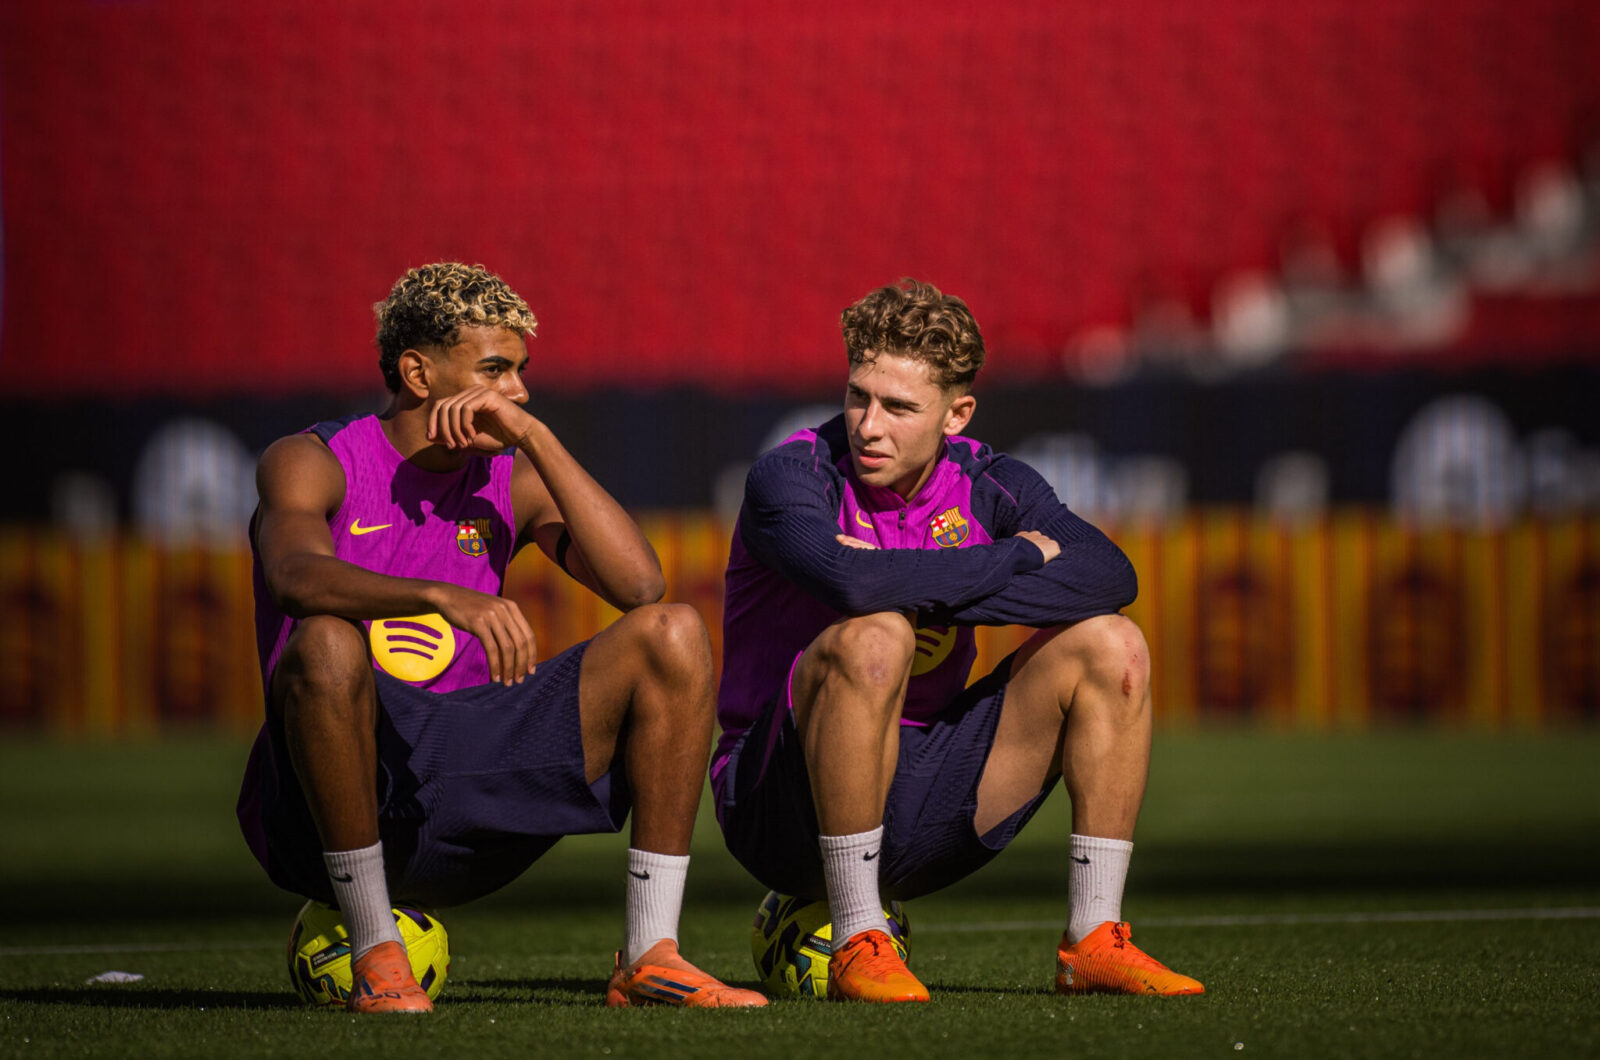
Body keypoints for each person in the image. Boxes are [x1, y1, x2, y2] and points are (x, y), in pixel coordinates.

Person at [236, 262, 765, 1013]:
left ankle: (651, 955)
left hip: (460, 780)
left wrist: (536, 438)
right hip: (325, 802)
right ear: (419, 373)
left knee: (672, 631)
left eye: (521, 372)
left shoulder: (506, 477)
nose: (515, 390)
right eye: (495, 370)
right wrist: (438, 595)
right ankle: (376, 952)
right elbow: (293, 575)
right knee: (325, 642)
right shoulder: (312, 460)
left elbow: (640, 586)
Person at [714, 279, 1204, 1002]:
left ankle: (1093, 939)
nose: (868, 426)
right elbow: (847, 584)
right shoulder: (791, 475)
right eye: (858, 396)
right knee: (875, 634)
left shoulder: (990, 483)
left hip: (924, 795)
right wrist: (1014, 557)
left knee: (1111, 643)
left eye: (899, 407)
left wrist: (898, 576)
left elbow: (1109, 573)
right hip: (777, 805)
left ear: (957, 414)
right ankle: (857, 935)